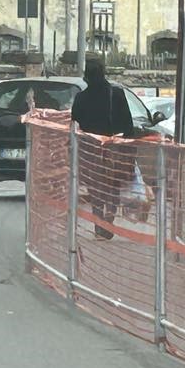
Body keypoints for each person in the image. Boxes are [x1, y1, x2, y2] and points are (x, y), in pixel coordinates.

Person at [71, 58, 134, 239]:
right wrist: (128, 147)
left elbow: (75, 121)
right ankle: (109, 219)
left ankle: (99, 220)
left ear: (86, 77)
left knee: (95, 187)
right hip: (114, 149)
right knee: (114, 186)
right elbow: (128, 125)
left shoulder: (81, 98)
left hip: (90, 150)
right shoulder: (117, 94)